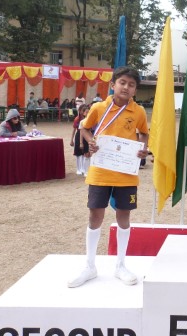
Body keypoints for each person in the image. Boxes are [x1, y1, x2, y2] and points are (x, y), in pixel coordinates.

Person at [68, 66, 149, 288]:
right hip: (101, 172)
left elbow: (144, 133)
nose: (126, 87)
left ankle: (120, 265)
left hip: (126, 174)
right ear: (113, 85)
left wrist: (143, 148)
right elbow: (84, 128)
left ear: (135, 90)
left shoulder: (138, 112)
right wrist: (90, 141)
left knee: (124, 216)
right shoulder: (98, 107)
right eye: (122, 82)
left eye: (131, 85)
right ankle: (90, 266)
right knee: (95, 215)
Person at [70, 104, 92, 176]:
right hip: (79, 135)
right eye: (83, 111)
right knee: (79, 153)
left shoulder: (91, 119)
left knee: (85, 154)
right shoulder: (77, 119)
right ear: (80, 111)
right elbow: (74, 130)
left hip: (87, 137)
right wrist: (72, 140)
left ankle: (84, 169)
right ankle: (79, 169)